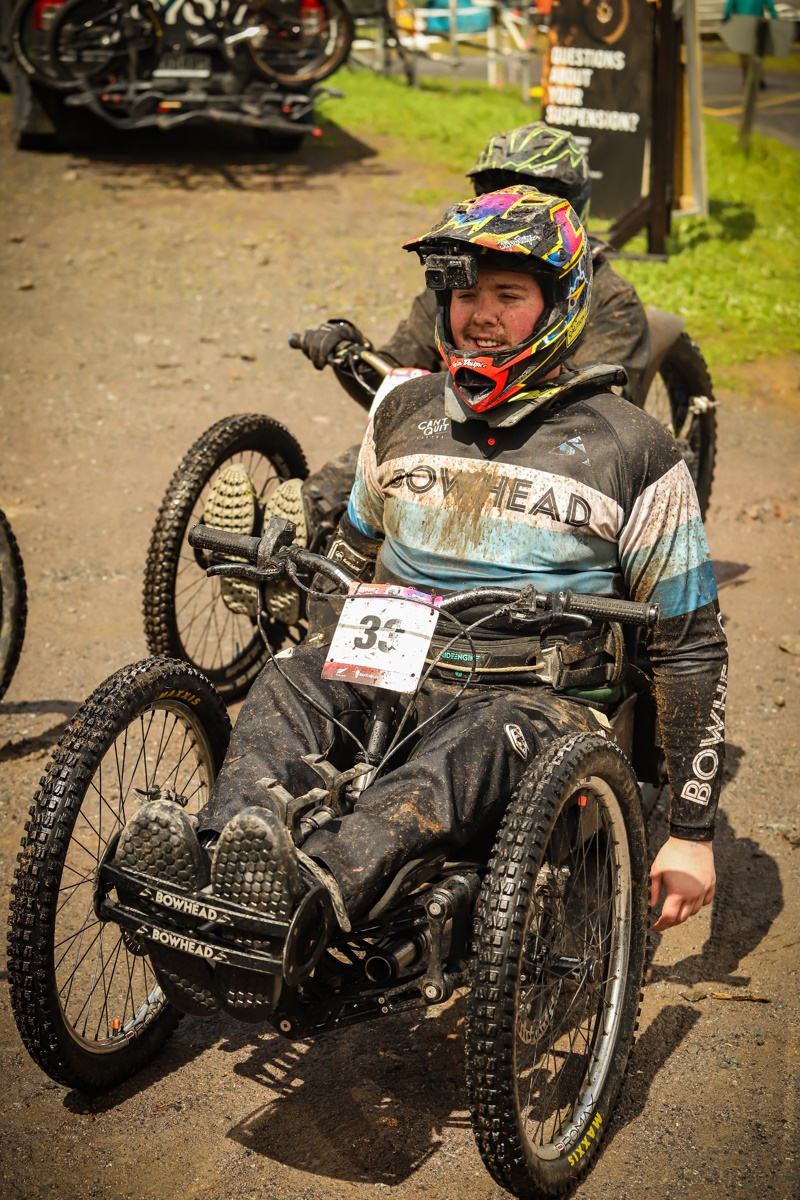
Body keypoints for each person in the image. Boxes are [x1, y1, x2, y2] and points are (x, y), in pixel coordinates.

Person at [118, 187, 726, 1019]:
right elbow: (353, 553)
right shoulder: (403, 409)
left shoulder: (635, 446)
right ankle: (225, 865)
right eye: (464, 293)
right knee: (288, 679)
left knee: (460, 753)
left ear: (559, 303)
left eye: (508, 294)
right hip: (396, 659)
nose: (481, 315)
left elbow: (690, 645)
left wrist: (691, 831)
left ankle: (314, 894)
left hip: (534, 698)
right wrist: (314, 629)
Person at [223, 122, 651, 631]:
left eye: (509, 296)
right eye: (498, 189)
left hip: (553, 446)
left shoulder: (610, 299)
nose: (514, 201)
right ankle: (281, 550)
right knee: (373, 463)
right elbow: (394, 369)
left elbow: (604, 407)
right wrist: (349, 352)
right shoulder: (456, 273)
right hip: (448, 423)